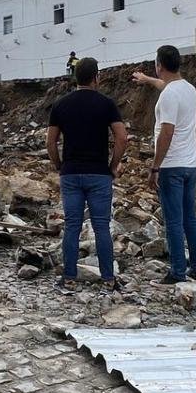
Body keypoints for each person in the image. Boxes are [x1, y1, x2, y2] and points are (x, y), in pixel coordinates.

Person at [47, 57, 128, 292]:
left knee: (72, 226)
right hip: (99, 174)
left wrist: (59, 165)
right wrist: (113, 165)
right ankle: (108, 278)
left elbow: (51, 142)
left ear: (75, 78)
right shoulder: (106, 104)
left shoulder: (60, 104)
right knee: (101, 226)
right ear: (96, 77)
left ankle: (69, 278)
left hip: (71, 173)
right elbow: (122, 138)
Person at [132, 45, 196, 285]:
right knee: (190, 218)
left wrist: (155, 167)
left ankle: (177, 272)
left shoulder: (169, 95)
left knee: (173, 221)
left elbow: (167, 132)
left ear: (159, 64)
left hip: (172, 166)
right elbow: (166, 86)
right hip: (191, 164)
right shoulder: (189, 89)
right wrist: (147, 79)